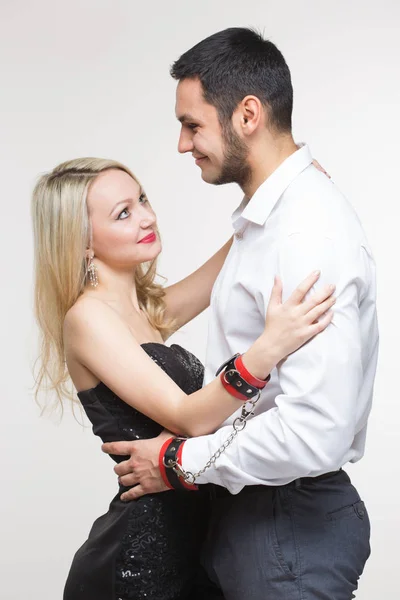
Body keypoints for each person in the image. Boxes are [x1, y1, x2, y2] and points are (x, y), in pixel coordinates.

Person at [103, 28, 379, 600]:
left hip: (286, 527)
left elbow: (314, 431)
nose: (183, 144)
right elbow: (161, 315)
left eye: (192, 124)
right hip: (254, 519)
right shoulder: (270, 221)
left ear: (247, 114)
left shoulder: (304, 232)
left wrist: (179, 462)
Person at [31, 157, 335, 600]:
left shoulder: (148, 310)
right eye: (123, 213)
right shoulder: (88, 319)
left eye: (142, 200)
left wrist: (284, 191)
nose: (147, 217)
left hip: (196, 547)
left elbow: (228, 259)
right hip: (139, 564)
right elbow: (188, 418)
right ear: (82, 243)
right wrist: (270, 346)